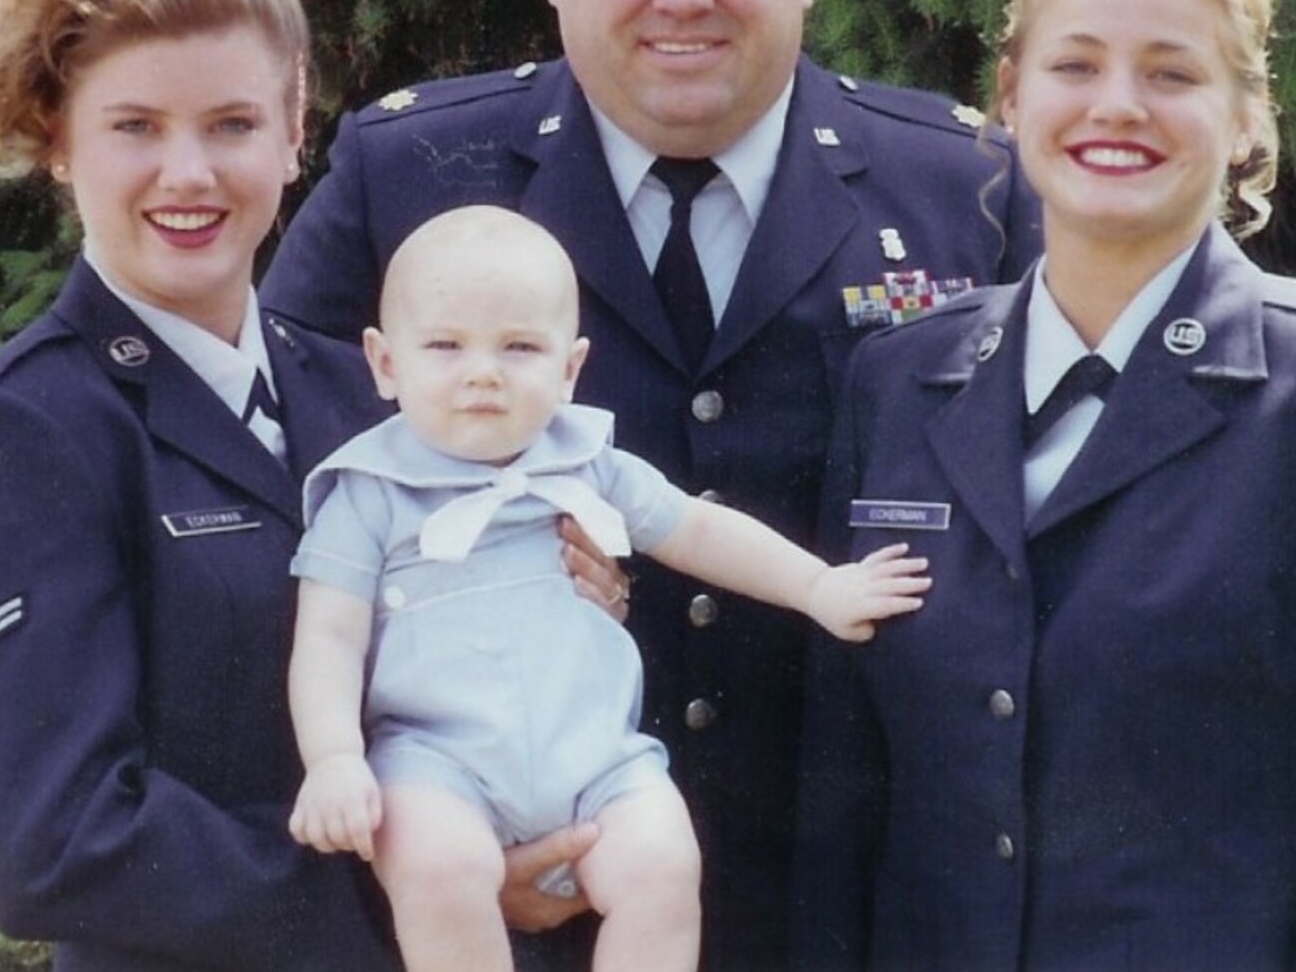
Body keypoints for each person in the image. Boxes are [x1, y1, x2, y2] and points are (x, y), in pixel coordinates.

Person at [261, 0, 1040, 966]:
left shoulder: (967, 191)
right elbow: (292, 530)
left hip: (861, 913)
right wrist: (427, 833)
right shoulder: (404, 178)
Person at [791, 0, 1296, 970]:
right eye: (1074, 65)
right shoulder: (899, 382)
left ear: (1244, 121)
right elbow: (842, 814)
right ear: (1010, 96)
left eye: (1170, 73)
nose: (1114, 105)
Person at [0, 0, 589, 971]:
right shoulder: (22, 433)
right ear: (55, 140)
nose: (189, 173)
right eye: (134, 126)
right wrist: (422, 897)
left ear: (291, 134)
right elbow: (53, 842)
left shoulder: (362, 390)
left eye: (230, 124)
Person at [284, 205, 930, 972]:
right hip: (435, 759)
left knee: (662, 863)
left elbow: (697, 529)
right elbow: (327, 635)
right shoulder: (370, 491)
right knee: (436, 869)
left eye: (520, 346)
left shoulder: (587, 462)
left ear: (570, 367)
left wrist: (821, 585)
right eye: (445, 345)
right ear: (386, 363)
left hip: (596, 757)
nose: (483, 371)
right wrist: (332, 757)